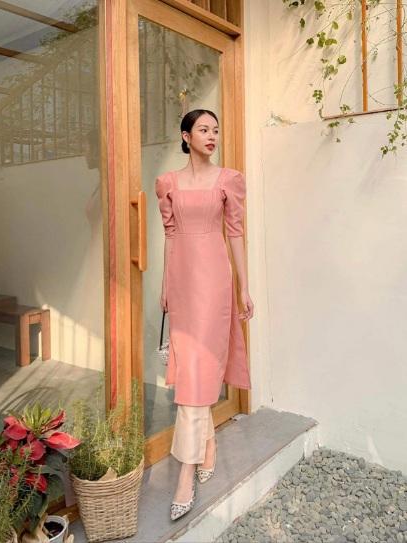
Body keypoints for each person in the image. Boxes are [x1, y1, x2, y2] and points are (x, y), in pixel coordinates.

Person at [155, 109, 254, 521]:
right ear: (186, 136)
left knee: (199, 371)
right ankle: (207, 443)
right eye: (203, 129)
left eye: (216, 129)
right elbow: (170, 235)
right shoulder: (168, 183)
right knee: (192, 372)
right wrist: (165, 284)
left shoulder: (228, 179)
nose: (212, 135)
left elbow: (236, 233)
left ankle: (185, 472)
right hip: (182, 283)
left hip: (214, 283)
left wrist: (243, 286)